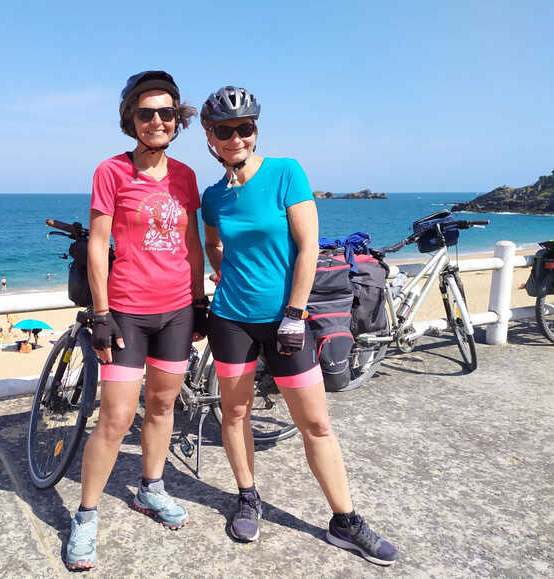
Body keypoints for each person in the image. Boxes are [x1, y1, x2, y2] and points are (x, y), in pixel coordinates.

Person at [199, 86, 399, 565]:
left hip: (287, 320)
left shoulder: (286, 172)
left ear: (256, 130)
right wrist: (222, 270)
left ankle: (345, 520)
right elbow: (212, 244)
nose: (235, 138)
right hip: (230, 319)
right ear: (210, 137)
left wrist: (294, 312)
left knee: (315, 423)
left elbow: (307, 247)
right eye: (224, 131)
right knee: (235, 414)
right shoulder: (212, 197)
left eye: (243, 128)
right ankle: (248, 496)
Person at [64, 70, 206, 571]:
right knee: (115, 418)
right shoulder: (111, 171)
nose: (157, 121)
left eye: (166, 112)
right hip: (126, 311)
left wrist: (198, 300)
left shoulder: (186, 176)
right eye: (146, 113)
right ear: (131, 119)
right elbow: (99, 247)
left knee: (163, 407)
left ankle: (151, 487)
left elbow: (192, 245)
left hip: (175, 313)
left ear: (177, 119)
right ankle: (85, 515)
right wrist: (101, 314)